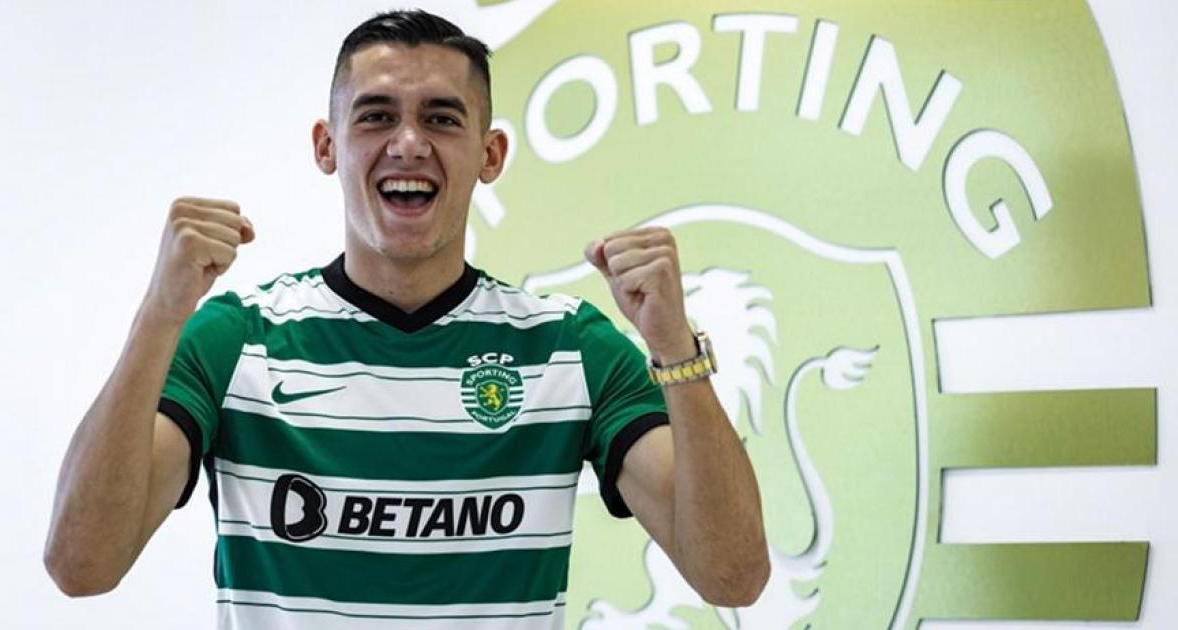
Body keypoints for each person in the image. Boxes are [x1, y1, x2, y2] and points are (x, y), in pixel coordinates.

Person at [44, 9, 768, 628]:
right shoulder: (236, 338)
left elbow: (732, 576)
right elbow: (81, 565)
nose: (409, 143)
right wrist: (159, 315)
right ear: (327, 146)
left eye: (441, 118)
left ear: (490, 154)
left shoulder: (568, 346)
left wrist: (673, 345)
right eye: (377, 115)